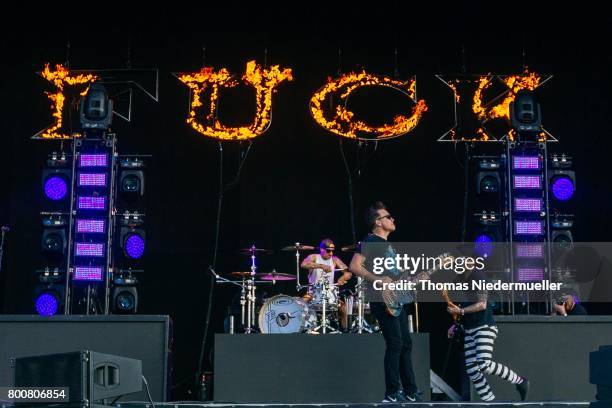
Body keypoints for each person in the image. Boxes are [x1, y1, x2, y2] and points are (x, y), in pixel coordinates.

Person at [349, 201, 421, 402]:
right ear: (378, 222)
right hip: (382, 300)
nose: (392, 219)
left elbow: (396, 277)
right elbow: (354, 266)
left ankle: (411, 391)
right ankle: (391, 392)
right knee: (395, 344)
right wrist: (378, 280)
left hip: (397, 299)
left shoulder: (388, 246)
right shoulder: (370, 241)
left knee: (406, 344)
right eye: (388, 216)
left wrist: (414, 280)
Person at [447, 267, 529, 402]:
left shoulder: (478, 276)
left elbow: (482, 304)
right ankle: (490, 402)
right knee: (472, 370)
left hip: (483, 326)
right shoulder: (462, 280)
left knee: (484, 364)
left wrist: (460, 311)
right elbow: (465, 308)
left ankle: (520, 381)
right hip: (469, 329)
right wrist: (455, 324)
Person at [301, 239, 352, 330]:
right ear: (321, 249)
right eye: (328, 251)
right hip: (312, 294)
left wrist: (343, 277)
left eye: (332, 251)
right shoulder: (314, 257)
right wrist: (321, 266)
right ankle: (303, 329)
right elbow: (303, 264)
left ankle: (345, 331)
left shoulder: (335, 260)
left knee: (343, 308)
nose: (331, 253)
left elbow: (348, 273)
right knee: (301, 304)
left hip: (330, 294)